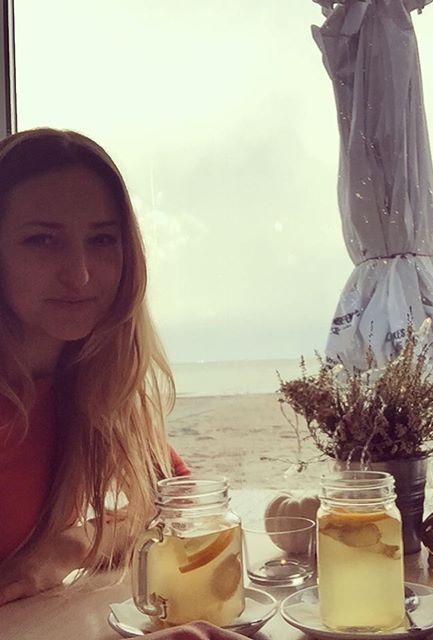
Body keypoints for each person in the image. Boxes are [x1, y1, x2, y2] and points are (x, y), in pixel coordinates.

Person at [0, 127, 249, 640]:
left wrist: (67, 547)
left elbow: (176, 502)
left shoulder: (90, 382)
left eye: (101, 240)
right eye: (42, 240)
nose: (80, 275)